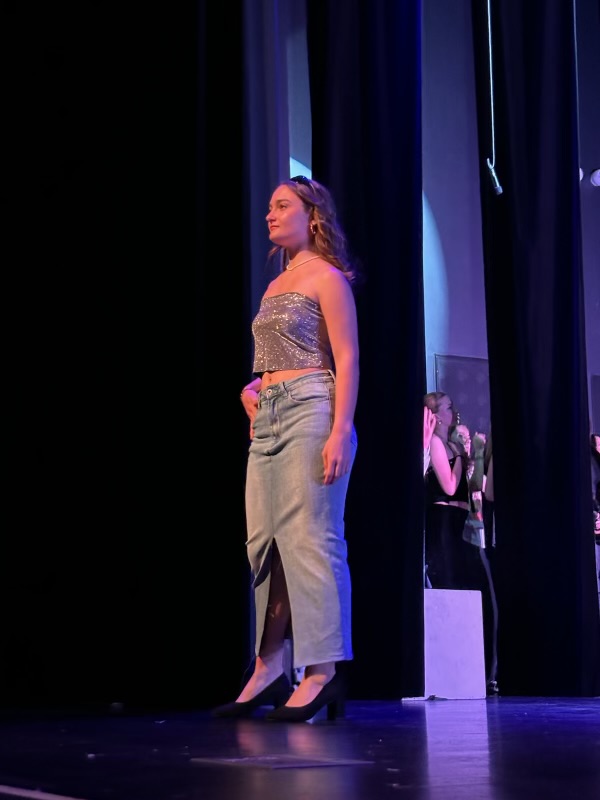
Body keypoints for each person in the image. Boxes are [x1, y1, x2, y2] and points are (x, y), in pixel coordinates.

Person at [212, 175, 360, 723]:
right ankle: (268, 666)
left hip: (312, 409)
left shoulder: (327, 277)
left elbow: (346, 357)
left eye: (281, 206)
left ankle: (322, 671)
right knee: (264, 545)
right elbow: (275, 359)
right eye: (270, 207)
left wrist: (341, 428)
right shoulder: (275, 285)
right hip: (269, 417)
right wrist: (251, 389)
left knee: (310, 540)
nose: (269, 215)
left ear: (311, 216)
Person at [423, 391, 469, 589]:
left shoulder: (450, 443)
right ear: (437, 416)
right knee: (449, 579)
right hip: (444, 519)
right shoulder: (435, 442)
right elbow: (450, 486)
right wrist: (459, 457)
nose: (454, 411)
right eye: (449, 407)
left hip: (458, 518)